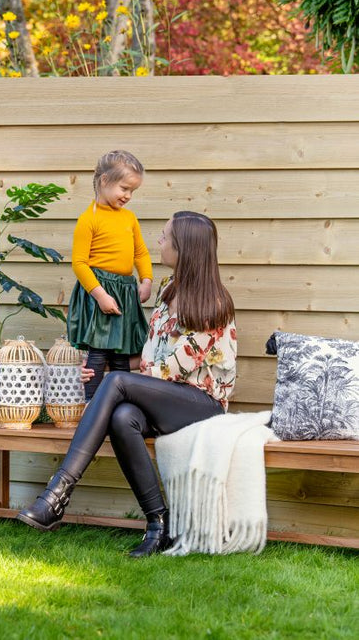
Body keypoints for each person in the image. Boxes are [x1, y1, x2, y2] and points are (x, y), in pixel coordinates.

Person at [17, 211, 237, 557]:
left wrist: (113, 380)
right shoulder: (168, 290)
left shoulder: (214, 303)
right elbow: (150, 358)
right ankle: (158, 525)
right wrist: (99, 371)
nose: (159, 243)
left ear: (184, 249)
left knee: (118, 384)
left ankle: (57, 494)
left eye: (165, 238)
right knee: (123, 417)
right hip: (166, 397)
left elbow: (172, 370)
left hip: (202, 405)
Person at [67, 150, 153, 401]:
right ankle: (91, 405)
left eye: (132, 191)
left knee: (121, 353)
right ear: (105, 181)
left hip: (125, 291)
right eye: (124, 188)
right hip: (100, 291)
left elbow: (141, 253)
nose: (127, 196)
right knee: (99, 351)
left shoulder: (129, 218)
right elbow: (80, 263)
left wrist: (146, 280)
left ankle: (120, 406)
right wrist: (100, 295)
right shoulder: (88, 219)